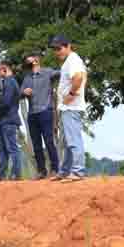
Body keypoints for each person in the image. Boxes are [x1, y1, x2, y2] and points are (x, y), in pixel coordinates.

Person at [50, 35, 88, 182]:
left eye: (59, 48)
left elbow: (78, 77)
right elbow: (84, 76)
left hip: (71, 107)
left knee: (73, 140)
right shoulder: (71, 61)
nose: (57, 52)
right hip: (69, 107)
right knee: (67, 142)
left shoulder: (73, 60)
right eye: (55, 49)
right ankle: (65, 171)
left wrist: (72, 94)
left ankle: (78, 172)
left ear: (68, 46)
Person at [21, 51, 60, 179]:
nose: (28, 62)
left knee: (49, 141)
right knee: (36, 144)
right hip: (32, 114)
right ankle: (41, 171)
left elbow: (61, 73)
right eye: (27, 61)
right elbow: (20, 93)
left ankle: (55, 169)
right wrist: (24, 92)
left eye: (30, 59)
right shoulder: (27, 78)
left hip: (45, 111)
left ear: (37, 60)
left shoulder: (48, 72)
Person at [0, 60, 23, 181]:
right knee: (3, 150)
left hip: (9, 120)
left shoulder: (9, 82)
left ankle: (15, 174)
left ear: (4, 69)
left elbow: (6, 102)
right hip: (5, 121)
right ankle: (0, 174)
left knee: (12, 148)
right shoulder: (9, 82)